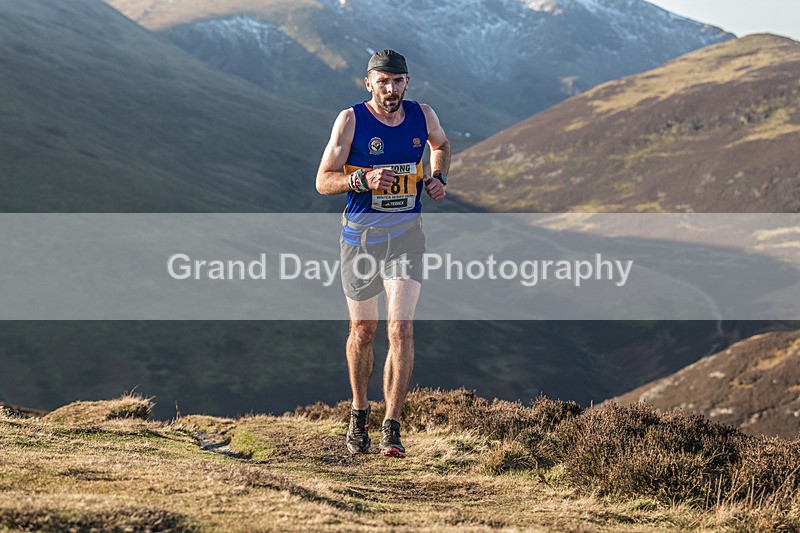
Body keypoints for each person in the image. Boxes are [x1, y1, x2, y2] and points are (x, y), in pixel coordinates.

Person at [315, 49, 450, 457]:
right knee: (364, 331)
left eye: (397, 81)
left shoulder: (422, 115)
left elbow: (441, 145)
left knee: (401, 330)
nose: (390, 89)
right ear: (368, 82)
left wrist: (438, 176)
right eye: (383, 81)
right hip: (360, 239)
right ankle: (359, 414)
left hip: (407, 236)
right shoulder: (351, 119)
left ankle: (392, 426)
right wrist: (363, 178)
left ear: (407, 83)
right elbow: (323, 181)